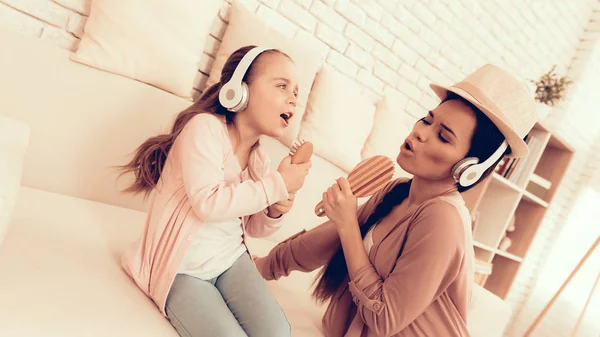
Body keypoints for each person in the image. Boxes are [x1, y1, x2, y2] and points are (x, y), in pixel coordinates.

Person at [254, 64, 538, 337]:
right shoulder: (397, 190)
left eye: (443, 136)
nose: (420, 132)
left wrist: (348, 224)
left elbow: (385, 317)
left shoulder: (444, 221)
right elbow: (324, 241)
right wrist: (265, 265)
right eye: (427, 120)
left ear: (469, 169)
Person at [119, 45, 311, 337]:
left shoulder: (260, 159)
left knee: (277, 332)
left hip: (230, 259)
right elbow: (208, 203)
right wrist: (277, 185)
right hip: (183, 270)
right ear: (239, 90)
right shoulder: (204, 128)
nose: (293, 99)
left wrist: (274, 209)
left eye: (296, 92)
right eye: (282, 86)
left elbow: (255, 228)